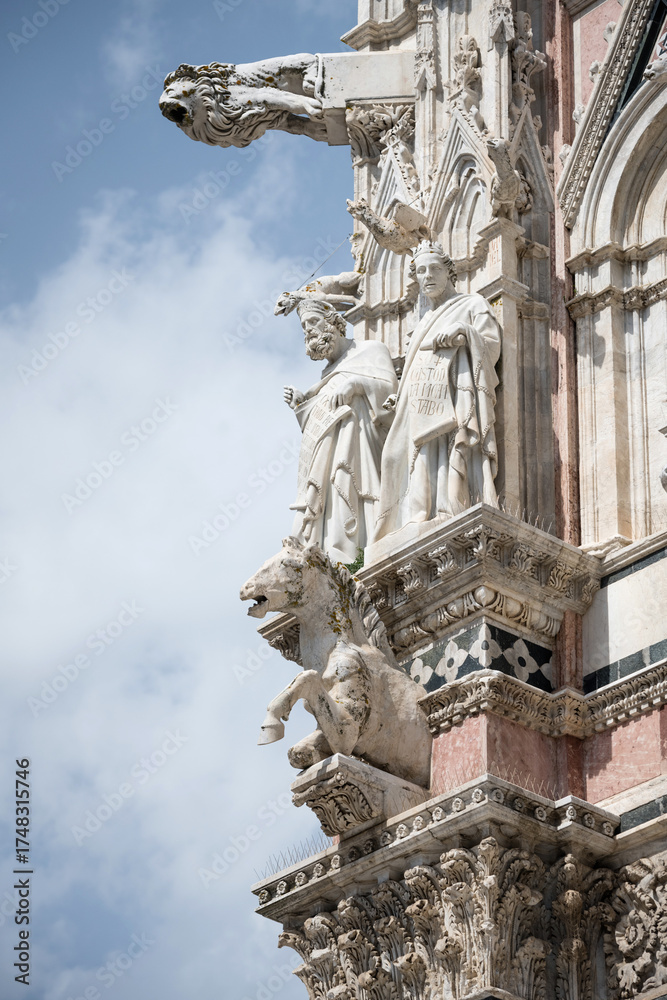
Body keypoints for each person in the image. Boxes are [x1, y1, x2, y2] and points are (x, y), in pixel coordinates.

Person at [374, 240, 501, 540]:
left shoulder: (472, 304)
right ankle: (417, 514)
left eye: (434, 269)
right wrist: (401, 391)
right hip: (418, 400)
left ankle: (448, 509)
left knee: (446, 450)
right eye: (420, 271)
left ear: (449, 272)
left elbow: (492, 346)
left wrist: (464, 333)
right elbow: (415, 362)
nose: (427, 276)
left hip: (454, 394)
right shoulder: (423, 323)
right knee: (398, 456)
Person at [282, 295, 397, 563]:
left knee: (346, 484)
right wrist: (303, 405)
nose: (308, 330)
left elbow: (393, 393)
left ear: (334, 322)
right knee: (331, 498)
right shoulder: (326, 375)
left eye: (313, 321)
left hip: (360, 447)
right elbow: (320, 420)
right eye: (303, 327)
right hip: (328, 454)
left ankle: (354, 549)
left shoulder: (370, 350)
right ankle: (333, 551)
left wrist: (357, 384)